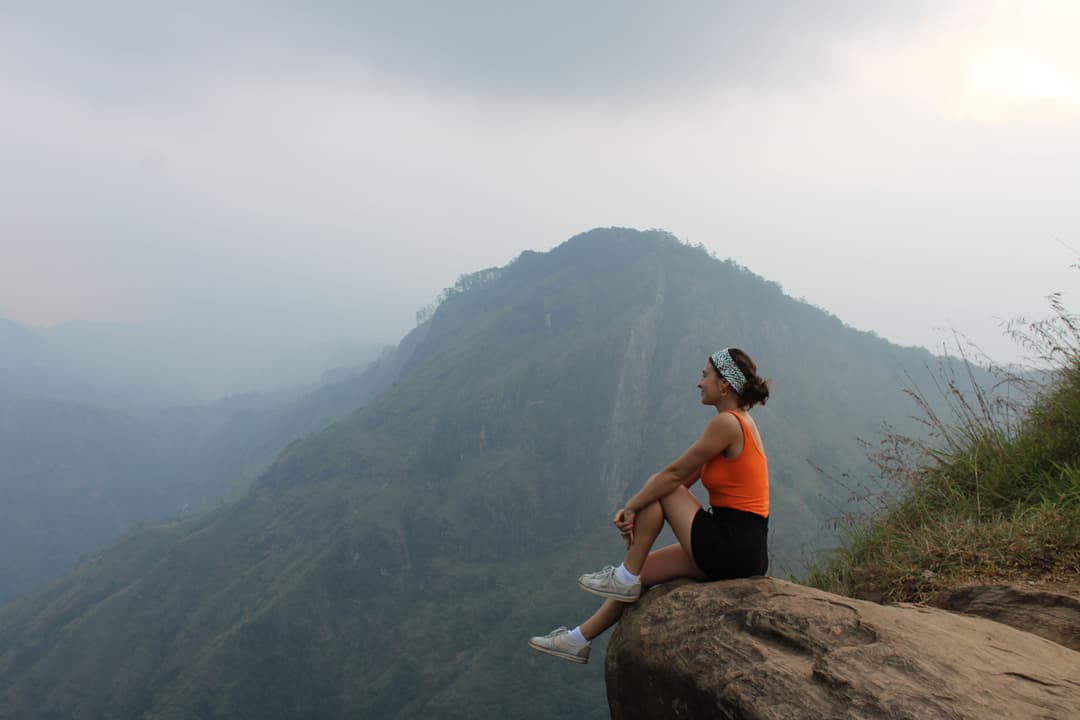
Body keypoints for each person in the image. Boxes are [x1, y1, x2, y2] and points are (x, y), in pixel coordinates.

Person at [528, 347, 771, 664]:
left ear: (724, 384)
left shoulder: (728, 423)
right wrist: (642, 512)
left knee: (660, 484)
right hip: (739, 547)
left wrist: (631, 506)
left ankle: (625, 576)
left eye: (705, 375)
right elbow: (685, 478)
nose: (699, 383)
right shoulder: (736, 423)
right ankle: (577, 639)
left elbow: (671, 477)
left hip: (734, 546)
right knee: (645, 568)